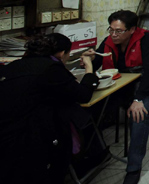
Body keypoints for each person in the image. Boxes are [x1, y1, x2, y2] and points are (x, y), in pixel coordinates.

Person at [0, 33, 99, 184]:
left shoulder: (13, 66)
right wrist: (89, 67)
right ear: (61, 53)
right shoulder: (51, 68)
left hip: (7, 134)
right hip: (33, 138)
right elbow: (83, 95)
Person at [83, 9, 149, 184]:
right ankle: (98, 153)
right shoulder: (108, 41)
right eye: (111, 30)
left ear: (132, 30)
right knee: (88, 111)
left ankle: (133, 168)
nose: (114, 34)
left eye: (118, 31)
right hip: (119, 86)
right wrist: (88, 59)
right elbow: (97, 61)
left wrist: (138, 99)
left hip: (143, 86)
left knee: (139, 116)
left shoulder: (145, 39)